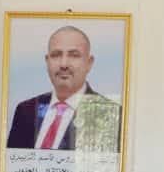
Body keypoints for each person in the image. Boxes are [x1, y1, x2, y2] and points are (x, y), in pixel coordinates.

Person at [6, 25, 122, 153]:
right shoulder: (25, 111)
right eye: (56, 55)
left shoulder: (110, 115)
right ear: (47, 61)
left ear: (89, 63)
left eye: (74, 55)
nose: (63, 64)